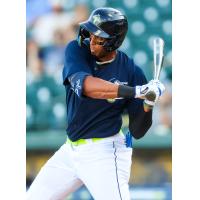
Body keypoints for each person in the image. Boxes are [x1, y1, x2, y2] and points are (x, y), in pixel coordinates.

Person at [27, 7, 165, 200]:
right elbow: (87, 86)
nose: (91, 41)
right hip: (70, 149)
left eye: (98, 38)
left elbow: (138, 130)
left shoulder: (132, 72)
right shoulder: (76, 50)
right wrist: (135, 91)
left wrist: (149, 102)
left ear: (113, 42)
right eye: (90, 34)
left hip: (105, 152)